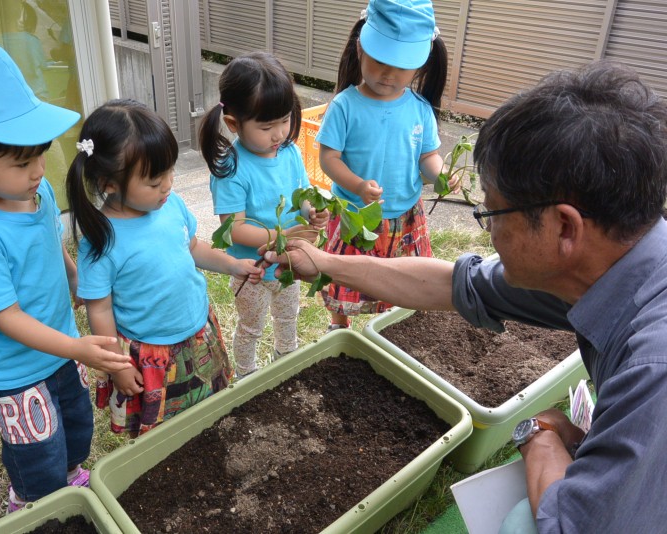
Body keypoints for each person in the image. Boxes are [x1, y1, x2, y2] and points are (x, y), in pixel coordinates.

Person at [265, 60, 667, 533]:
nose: (488, 228)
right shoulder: (610, 261)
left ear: (564, 226)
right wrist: (327, 262)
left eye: (493, 211)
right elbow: (455, 284)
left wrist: (538, 436)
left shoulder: (652, 368)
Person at [0, 40, 132, 514]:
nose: (38, 171)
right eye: (20, 163)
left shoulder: (38, 191)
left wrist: (75, 282)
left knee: (75, 424)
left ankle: (72, 477)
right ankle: (33, 504)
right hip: (12, 370)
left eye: (40, 155)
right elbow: (5, 316)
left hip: (59, 344)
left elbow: (51, 248)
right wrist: (76, 347)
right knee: (37, 452)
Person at [66, 99, 263, 437]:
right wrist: (118, 366)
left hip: (197, 334)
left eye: (169, 172)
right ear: (109, 183)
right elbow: (100, 311)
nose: (168, 185)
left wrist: (232, 264)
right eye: (154, 181)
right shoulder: (102, 241)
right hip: (150, 354)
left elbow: (194, 249)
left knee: (209, 413)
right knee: (163, 437)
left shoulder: (171, 206)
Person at [318, 0, 459, 331]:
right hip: (356, 214)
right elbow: (328, 158)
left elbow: (427, 157)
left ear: (420, 66)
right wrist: (356, 185)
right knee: (348, 274)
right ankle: (339, 324)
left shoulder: (420, 108)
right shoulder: (345, 106)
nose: (388, 73)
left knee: (400, 277)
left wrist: (440, 175)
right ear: (360, 49)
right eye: (380, 60)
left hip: (405, 214)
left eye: (402, 66)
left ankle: (388, 325)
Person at [197, 52, 329, 378]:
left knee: (288, 317)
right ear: (233, 123)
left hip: (287, 266)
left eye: (285, 120)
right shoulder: (232, 167)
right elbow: (234, 230)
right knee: (251, 328)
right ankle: (246, 376)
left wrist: (313, 211)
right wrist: (283, 237)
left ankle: (286, 364)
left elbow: (302, 198)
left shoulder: (290, 152)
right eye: (266, 126)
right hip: (251, 271)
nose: (279, 133)